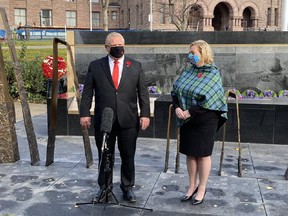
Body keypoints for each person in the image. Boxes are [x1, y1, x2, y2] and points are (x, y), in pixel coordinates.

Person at [80, 32, 150, 203]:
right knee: (105, 154)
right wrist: (84, 113)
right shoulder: (96, 66)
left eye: (121, 43)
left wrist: (145, 114)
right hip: (105, 120)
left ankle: (127, 187)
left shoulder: (135, 65)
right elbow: (87, 92)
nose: (118, 47)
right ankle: (104, 187)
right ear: (106, 47)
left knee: (128, 155)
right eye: (114, 44)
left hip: (128, 119)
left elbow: (143, 93)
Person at [171, 40, 228, 205]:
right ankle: (191, 186)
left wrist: (190, 111)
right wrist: (176, 108)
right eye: (189, 52)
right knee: (190, 153)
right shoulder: (189, 70)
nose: (190, 56)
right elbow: (176, 91)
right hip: (186, 119)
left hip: (205, 119)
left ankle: (201, 188)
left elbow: (212, 99)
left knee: (203, 155)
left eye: (193, 53)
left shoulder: (212, 73)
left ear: (203, 54)